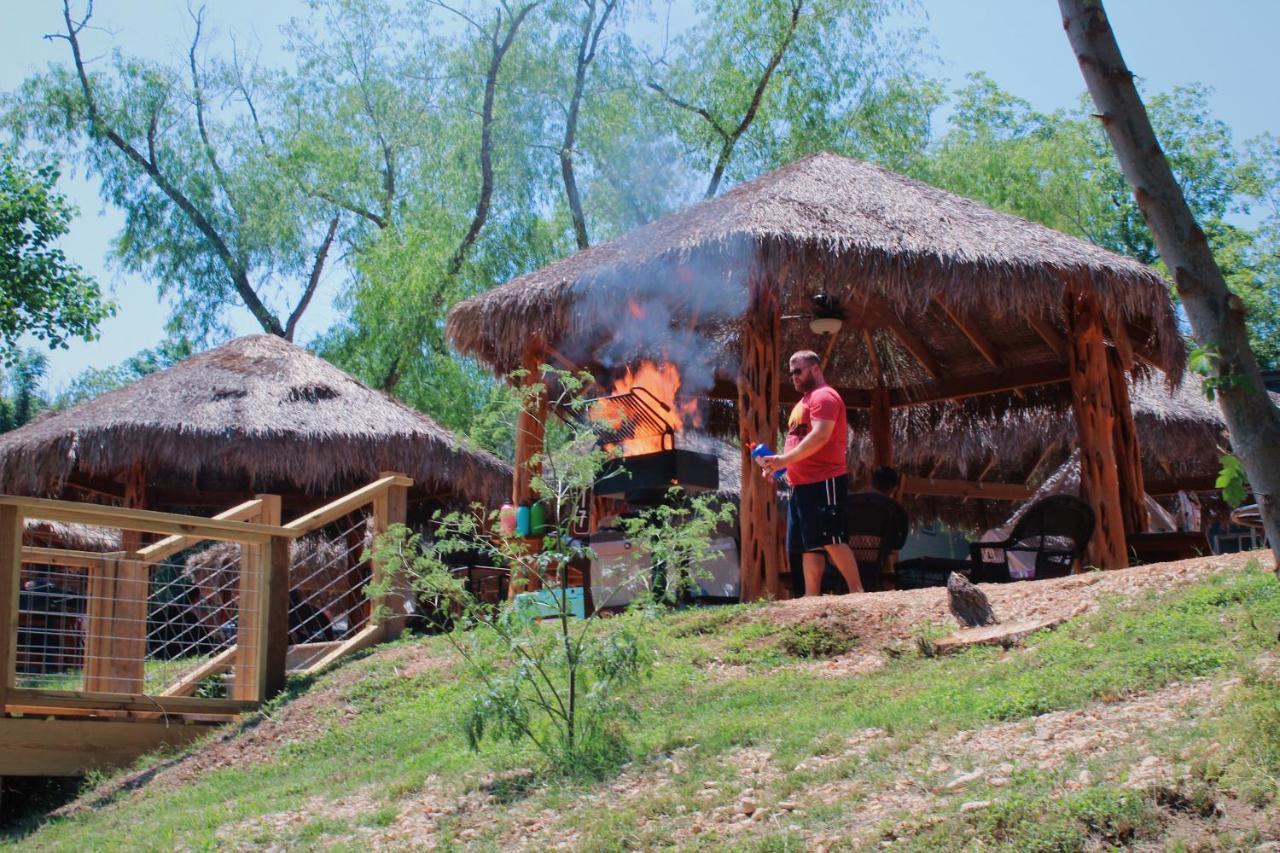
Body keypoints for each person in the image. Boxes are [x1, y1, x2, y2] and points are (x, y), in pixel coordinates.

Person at [757, 350, 862, 596]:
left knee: (832, 540)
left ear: (815, 369)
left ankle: (858, 592)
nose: (793, 376)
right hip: (799, 484)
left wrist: (784, 459)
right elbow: (797, 443)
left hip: (824, 479)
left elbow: (820, 435)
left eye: (798, 371)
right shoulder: (801, 404)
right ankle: (811, 596)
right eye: (791, 372)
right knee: (808, 545)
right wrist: (778, 467)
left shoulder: (825, 396)